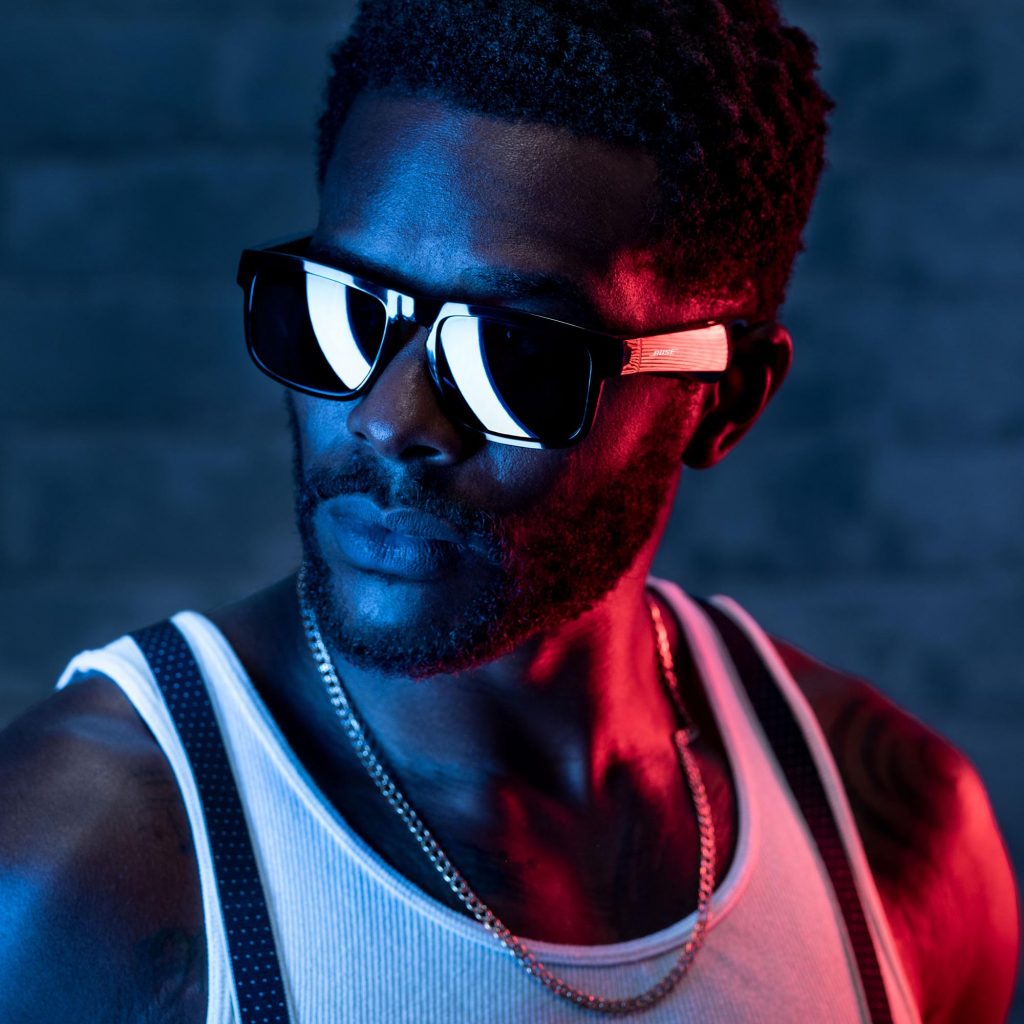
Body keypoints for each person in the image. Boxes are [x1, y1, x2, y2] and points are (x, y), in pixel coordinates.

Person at [1, 0, 1019, 1021]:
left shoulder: (893, 837)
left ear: (725, 400)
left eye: (515, 353)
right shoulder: (78, 864)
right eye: (345, 309)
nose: (388, 419)